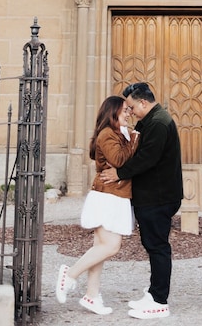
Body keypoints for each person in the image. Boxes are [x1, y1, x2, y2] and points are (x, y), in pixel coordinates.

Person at [100, 82, 183, 321]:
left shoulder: (158, 122)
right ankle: (154, 292)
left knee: (157, 247)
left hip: (158, 197)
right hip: (153, 196)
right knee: (152, 245)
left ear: (143, 103)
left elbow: (147, 158)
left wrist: (119, 173)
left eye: (132, 106)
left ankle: (159, 301)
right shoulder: (152, 120)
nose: (130, 111)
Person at [55, 95, 139, 316]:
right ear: (112, 113)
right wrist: (134, 139)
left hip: (115, 195)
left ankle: (91, 296)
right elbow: (120, 161)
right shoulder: (107, 134)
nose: (128, 113)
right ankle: (70, 274)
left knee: (99, 247)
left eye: (129, 110)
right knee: (111, 246)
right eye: (124, 110)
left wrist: (129, 138)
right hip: (108, 197)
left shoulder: (118, 133)